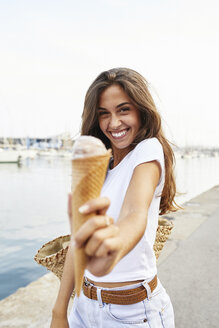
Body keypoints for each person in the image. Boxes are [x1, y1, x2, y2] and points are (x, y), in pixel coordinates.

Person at [51, 68, 179, 328]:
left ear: (141, 111)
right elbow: (78, 241)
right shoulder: (99, 167)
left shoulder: (147, 150)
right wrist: (59, 311)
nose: (114, 123)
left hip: (133, 314)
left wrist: (113, 247)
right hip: (84, 306)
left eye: (123, 110)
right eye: (104, 114)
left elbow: (135, 213)